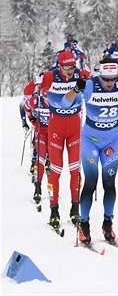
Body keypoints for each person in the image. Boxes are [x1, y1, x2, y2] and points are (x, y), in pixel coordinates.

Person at [63, 58, 118, 244]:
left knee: (109, 183)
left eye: (112, 79)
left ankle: (107, 223)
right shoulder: (90, 85)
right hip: (90, 141)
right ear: (100, 76)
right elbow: (65, 103)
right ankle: (84, 224)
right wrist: (76, 89)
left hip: (111, 140)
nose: (110, 83)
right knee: (90, 182)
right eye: (106, 80)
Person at [39, 50, 91, 229]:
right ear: (59, 66)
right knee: (56, 170)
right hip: (56, 128)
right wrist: (35, 81)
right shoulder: (50, 76)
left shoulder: (80, 74)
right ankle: (54, 211)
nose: (70, 71)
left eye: (72, 66)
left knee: (75, 171)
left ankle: (75, 209)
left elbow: (94, 88)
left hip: (75, 128)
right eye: (66, 67)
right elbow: (28, 91)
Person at [23, 74, 50, 204]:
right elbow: (25, 106)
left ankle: (52, 187)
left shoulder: (56, 96)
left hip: (55, 132)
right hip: (40, 130)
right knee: (40, 157)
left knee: (53, 159)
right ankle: (37, 187)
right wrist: (32, 120)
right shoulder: (35, 98)